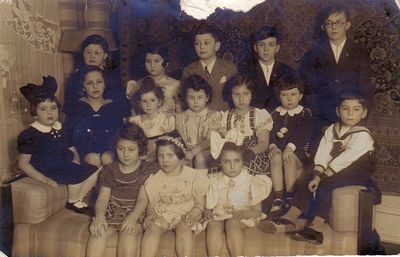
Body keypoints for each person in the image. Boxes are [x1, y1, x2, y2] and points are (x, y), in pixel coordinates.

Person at [259, 90, 381, 245]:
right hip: (335, 166)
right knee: (309, 178)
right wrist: (317, 172)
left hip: (356, 170)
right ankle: (289, 218)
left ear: (363, 113)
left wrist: (322, 176)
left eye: (356, 110)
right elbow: (323, 152)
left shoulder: (363, 135)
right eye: (345, 109)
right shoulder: (332, 129)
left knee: (325, 184)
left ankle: (316, 227)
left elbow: (344, 160)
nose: (350, 114)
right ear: (338, 111)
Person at [17, 76, 99, 215]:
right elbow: (23, 164)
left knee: (95, 170)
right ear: (34, 113)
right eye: (43, 109)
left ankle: (76, 199)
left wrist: (76, 159)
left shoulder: (60, 128)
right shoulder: (29, 135)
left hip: (64, 165)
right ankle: (73, 201)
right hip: (49, 169)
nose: (50, 112)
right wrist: (43, 178)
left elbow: (71, 146)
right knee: (76, 174)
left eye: (53, 108)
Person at [300, 4, 374, 153]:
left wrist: (357, 122)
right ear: (323, 27)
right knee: (319, 162)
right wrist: (322, 124)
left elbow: (366, 90)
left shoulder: (360, 53)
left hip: (353, 119)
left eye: (338, 22)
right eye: (329, 23)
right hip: (323, 121)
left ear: (347, 25)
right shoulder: (313, 54)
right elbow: (309, 93)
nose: (333, 27)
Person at [86, 123, 157, 257]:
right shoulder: (109, 170)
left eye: (131, 149)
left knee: (127, 234)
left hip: (136, 213)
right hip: (112, 212)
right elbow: (102, 198)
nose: (125, 154)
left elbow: (143, 199)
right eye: (120, 149)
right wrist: (100, 217)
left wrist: (132, 218)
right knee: (97, 233)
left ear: (140, 150)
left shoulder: (146, 169)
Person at [140, 132, 209, 257]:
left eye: (170, 155)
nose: (165, 160)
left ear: (180, 156)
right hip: (163, 214)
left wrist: (192, 215)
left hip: (185, 214)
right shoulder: (155, 179)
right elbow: (152, 204)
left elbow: (199, 204)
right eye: (161, 156)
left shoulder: (194, 176)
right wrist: (151, 215)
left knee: (184, 228)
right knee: (152, 229)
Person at [203, 140, 272, 256]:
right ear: (219, 162)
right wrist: (207, 212)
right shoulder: (213, 180)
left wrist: (245, 213)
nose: (232, 166)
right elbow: (208, 206)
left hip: (241, 218)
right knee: (213, 225)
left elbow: (257, 213)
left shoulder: (251, 181)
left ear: (243, 161)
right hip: (219, 216)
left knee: (232, 223)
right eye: (226, 162)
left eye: (236, 161)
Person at [64, 65, 129, 168]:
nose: (95, 86)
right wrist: (75, 154)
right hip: (84, 153)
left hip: (109, 150)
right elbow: (68, 135)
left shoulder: (113, 106)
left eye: (99, 82)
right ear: (83, 86)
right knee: (93, 158)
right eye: (89, 83)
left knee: (107, 158)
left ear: (105, 84)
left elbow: (120, 134)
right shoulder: (77, 107)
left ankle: (109, 183)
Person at [267, 76, 313, 215]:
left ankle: (289, 196)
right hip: (280, 154)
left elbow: (302, 134)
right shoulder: (274, 114)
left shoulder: (305, 114)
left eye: (293, 94)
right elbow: (270, 132)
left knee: (288, 157)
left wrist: (289, 148)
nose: (289, 99)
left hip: (297, 155)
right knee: (275, 157)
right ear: (279, 96)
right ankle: (278, 197)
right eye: (284, 95)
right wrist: (273, 146)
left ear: (300, 96)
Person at [63, 34, 130, 117]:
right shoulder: (75, 77)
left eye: (97, 53)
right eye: (88, 52)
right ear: (83, 53)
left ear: (105, 55)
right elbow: (69, 106)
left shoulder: (113, 78)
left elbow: (121, 106)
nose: (92, 56)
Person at [220, 73, 273, 176]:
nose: (241, 99)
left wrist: (249, 152)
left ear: (252, 94)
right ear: (230, 95)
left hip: (252, 153)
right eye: (236, 94)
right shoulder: (225, 117)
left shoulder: (259, 115)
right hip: (231, 155)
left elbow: (263, 143)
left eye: (245, 94)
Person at [181, 22, 237, 111]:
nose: (201, 47)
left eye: (206, 43)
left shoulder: (229, 68)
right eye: (197, 43)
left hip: (223, 117)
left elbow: (235, 97)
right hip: (197, 119)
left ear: (217, 46)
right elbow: (183, 101)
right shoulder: (188, 70)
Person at [175, 75, 221, 169]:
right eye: (191, 97)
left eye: (200, 97)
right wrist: (187, 153)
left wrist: (193, 152)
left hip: (207, 152)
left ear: (207, 98)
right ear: (185, 98)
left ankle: (201, 182)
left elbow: (209, 141)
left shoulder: (213, 116)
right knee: (181, 159)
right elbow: (181, 140)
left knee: (199, 157)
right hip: (188, 152)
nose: (195, 102)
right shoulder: (181, 118)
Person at [250, 26, 296, 112]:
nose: (266, 49)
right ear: (255, 48)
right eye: (261, 44)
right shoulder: (247, 72)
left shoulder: (288, 71)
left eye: (271, 45)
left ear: (277, 48)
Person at [126, 43, 181, 114]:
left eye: (157, 61)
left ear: (166, 63)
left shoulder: (176, 85)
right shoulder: (138, 84)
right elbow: (134, 111)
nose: (152, 65)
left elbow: (180, 112)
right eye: (148, 61)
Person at [129, 78, 175, 161]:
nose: (148, 105)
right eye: (144, 101)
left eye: (152, 100)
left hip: (160, 158)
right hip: (140, 158)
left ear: (159, 102)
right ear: (139, 103)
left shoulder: (166, 120)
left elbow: (170, 143)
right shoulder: (135, 121)